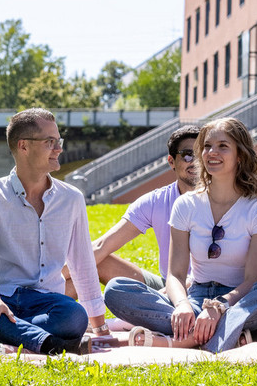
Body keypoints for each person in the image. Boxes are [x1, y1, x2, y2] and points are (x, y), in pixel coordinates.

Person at [0, 108, 106, 355]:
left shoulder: (72, 199)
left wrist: (99, 326)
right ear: (23, 146)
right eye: (50, 142)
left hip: (47, 305)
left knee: (74, 317)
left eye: (59, 141)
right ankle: (45, 342)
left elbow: (82, 263)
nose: (59, 149)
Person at [104, 117, 257, 352]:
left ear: (240, 155)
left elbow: (253, 279)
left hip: (238, 301)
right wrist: (182, 305)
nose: (212, 152)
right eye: (207, 146)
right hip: (195, 298)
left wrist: (218, 307)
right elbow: (175, 274)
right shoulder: (186, 204)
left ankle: (187, 338)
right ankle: (217, 334)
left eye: (222, 146)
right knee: (116, 289)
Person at [64, 125, 200, 296]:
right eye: (188, 155)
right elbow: (101, 246)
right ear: (171, 162)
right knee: (97, 260)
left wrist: (173, 292)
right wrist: (49, 281)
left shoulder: (223, 200)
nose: (196, 161)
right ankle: (44, 303)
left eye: (201, 154)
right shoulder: (156, 201)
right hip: (169, 284)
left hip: (210, 288)